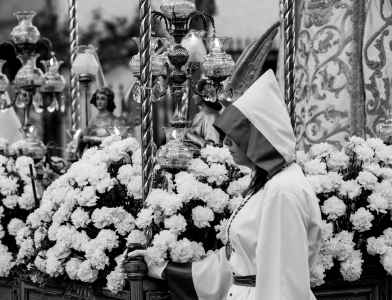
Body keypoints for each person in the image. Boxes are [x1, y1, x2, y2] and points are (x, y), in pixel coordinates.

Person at [129, 70, 323, 300]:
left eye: (235, 135)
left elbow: (283, 283)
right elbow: (237, 262)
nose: (227, 142)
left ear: (258, 137)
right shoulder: (272, 182)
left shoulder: (282, 190)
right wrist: (162, 269)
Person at [78, 86, 125, 155]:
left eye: (103, 99)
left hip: (109, 157)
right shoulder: (92, 121)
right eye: (97, 98)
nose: (99, 102)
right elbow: (83, 143)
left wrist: (91, 138)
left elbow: (116, 140)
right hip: (93, 157)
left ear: (109, 100)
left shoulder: (115, 121)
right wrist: (82, 136)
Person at [184, 79, 223, 148]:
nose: (193, 97)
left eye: (196, 93)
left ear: (204, 94)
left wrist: (189, 134)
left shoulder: (212, 117)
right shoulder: (197, 116)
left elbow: (213, 146)